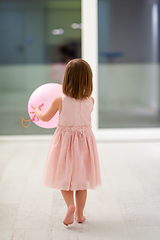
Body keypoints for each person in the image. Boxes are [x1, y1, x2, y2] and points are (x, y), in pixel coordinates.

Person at [31, 59, 101, 226]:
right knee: (81, 182)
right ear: (87, 80)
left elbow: (45, 117)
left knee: (64, 178)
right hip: (84, 145)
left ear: (67, 78)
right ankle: (79, 215)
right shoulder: (90, 101)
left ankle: (70, 205)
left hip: (65, 146)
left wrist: (37, 110)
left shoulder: (59, 101)